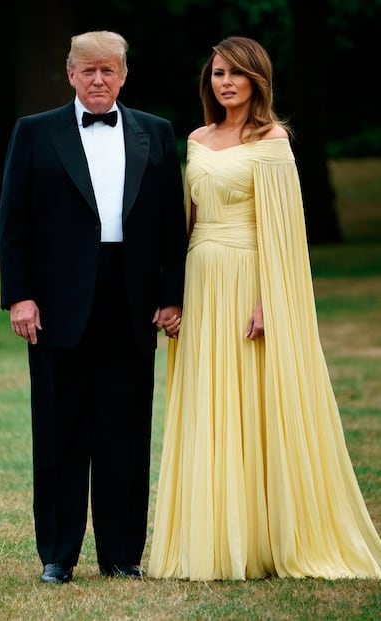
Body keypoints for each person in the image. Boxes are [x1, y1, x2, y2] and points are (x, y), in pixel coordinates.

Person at [148, 36, 381, 581]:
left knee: (252, 402)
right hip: (202, 280)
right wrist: (172, 295)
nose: (224, 82)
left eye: (235, 74)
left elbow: (286, 234)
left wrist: (269, 300)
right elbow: (183, 221)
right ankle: (211, 534)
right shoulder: (197, 139)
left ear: (258, 80)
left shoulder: (272, 140)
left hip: (249, 278)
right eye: (217, 73)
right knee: (208, 398)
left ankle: (263, 536)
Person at [0, 30, 188, 584]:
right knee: (58, 430)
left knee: (124, 430)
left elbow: (171, 225)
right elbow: (14, 222)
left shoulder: (156, 132)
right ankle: (58, 555)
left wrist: (171, 294)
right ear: (70, 74)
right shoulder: (34, 132)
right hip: (56, 303)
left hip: (132, 300)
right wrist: (21, 295)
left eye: (108, 70)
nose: (98, 80)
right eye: (88, 71)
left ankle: (122, 553)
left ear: (124, 75)